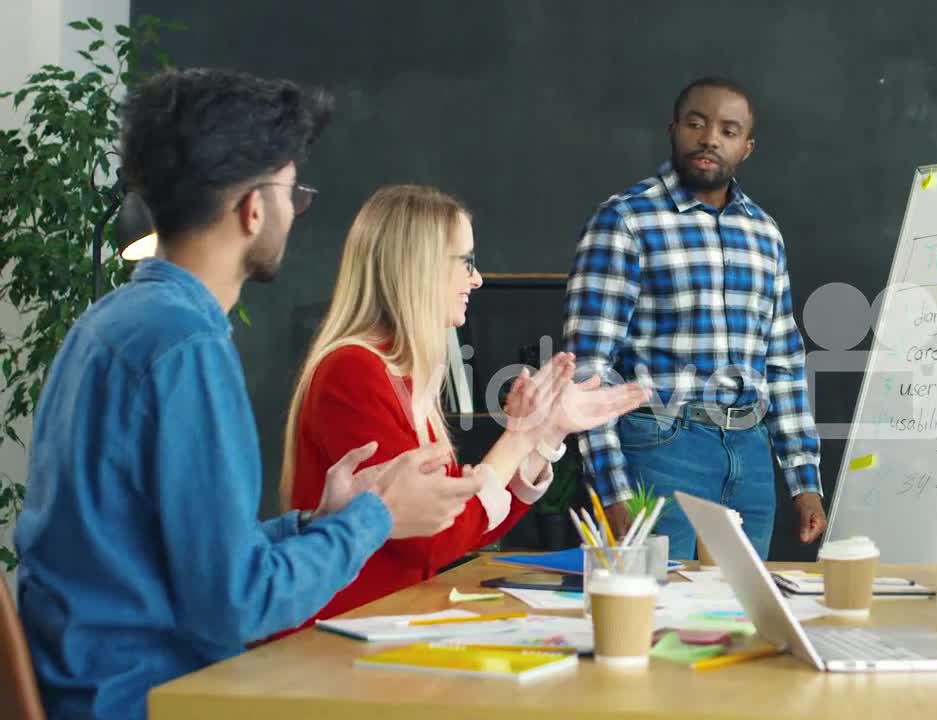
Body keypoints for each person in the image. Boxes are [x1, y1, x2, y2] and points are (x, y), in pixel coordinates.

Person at [16, 69, 480, 719]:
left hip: (90, 685)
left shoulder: (112, 323)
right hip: (148, 699)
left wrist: (318, 523)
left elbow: (175, 555)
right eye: (295, 195)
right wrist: (374, 520)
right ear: (254, 209)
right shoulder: (186, 348)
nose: (293, 214)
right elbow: (238, 603)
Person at [277, 185, 648, 630]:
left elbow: (470, 527)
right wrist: (519, 437)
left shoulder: (399, 372)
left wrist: (547, 434)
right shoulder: (353, 371)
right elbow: (434, 539)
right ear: (420, 265)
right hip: (339, 642)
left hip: (383, 628)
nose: (477, 279)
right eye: (466, 262)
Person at [563, 76, 825, 560]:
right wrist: (612, 490)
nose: (709, 139)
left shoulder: (765, 233)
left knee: (739, 623)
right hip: (661, 449)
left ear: (746, 147)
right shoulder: (625, 220)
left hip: (750, 453)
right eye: (696, 124)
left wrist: (804, 480)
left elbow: (784, 362)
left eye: (728, 131)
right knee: (659, 617)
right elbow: (588, 368)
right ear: (674, 129)